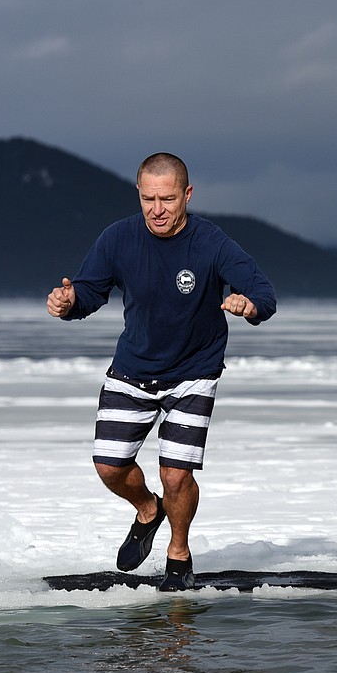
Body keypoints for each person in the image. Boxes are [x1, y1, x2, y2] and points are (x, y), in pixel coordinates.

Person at [46, 152, 276, 591]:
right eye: (148, 199)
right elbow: (90, 289)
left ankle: (179, 553)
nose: (157, 209)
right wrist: (69, 302)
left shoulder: (211, 242)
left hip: (194, 373)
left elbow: (263, 291)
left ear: (187, 195)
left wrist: (250, 306)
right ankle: (148, 510)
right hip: (133, 369)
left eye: (167, 199)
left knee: (176, 472)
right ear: (139, 194)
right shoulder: (118, 238)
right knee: (109, 466)